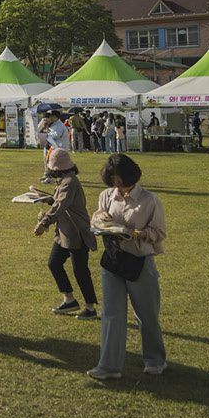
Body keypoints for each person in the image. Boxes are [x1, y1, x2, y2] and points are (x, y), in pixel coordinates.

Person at [88, 152, 167, 382]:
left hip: (140, 262)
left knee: (147, 315)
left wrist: (135, 235)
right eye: (112, 178)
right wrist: (101, 218)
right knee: (111, 314)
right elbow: (95, 220)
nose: (116, 183)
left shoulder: (149, 200)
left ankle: (155, 360)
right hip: (112, 261)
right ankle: (109, 366)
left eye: (119, 178)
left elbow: (159, 233)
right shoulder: (106, 196)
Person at [33, 147, 97, 318]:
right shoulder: (65, 180)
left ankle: (90, 308)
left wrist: (44, 223)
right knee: (54, 263)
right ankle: (69, 299)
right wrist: (47, 199)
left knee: (80, 271)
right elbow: (60, 202)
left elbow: (60, 206)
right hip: (64, 233)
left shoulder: (69, 182)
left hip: (77, 233)